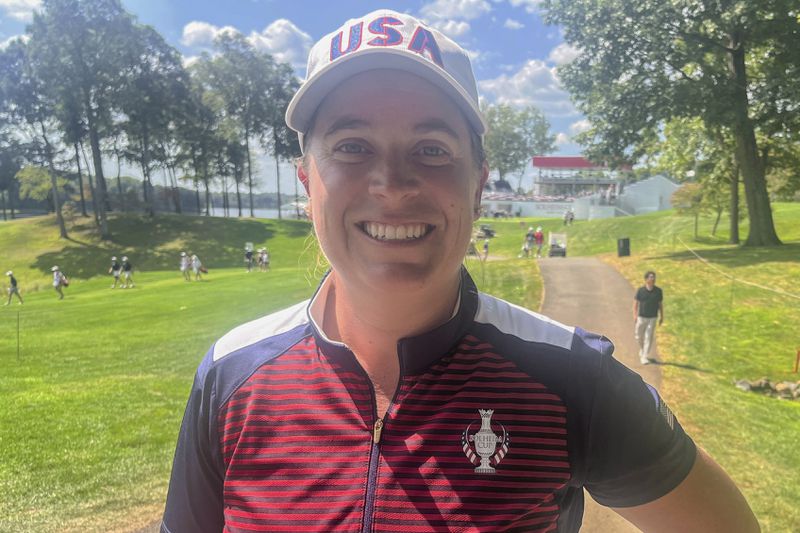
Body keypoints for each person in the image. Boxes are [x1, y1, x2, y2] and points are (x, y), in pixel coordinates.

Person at [162, 10, 759, 533]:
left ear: (476, 186)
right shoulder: (231, 374)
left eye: (432, 149)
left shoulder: (570, 376)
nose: (392, 184)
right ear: (306, 182)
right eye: (351, 145)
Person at [634, 270, 664, 365]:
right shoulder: (640, 290)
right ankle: (642, 350)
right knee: (639, 336)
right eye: (651, 277)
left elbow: (660, 305)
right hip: (641, 317)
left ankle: (644, 356)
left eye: (654, 277)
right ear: (646, 279)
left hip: (653, 318)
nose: (653, 279)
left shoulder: (658, 291)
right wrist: (635, 315)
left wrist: (662, 316)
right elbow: (635, 304)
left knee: (649, 337)